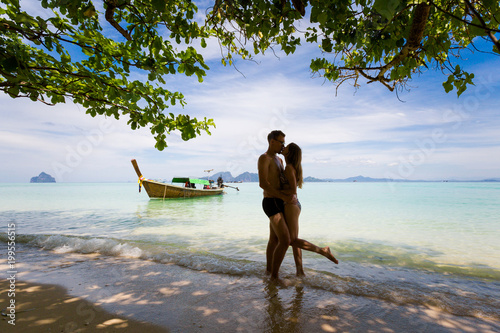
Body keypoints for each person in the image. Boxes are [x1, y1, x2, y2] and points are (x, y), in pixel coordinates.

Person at [281, 143, 339, 272]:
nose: (283, 148)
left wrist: (275, 192)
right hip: (294, 205)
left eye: (286, 147)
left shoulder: (289, 168)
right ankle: (300, 271)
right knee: (295, 241)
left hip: (291, 205)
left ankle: (323, 251)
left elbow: (292, 191)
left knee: (292, 240)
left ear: (289, 153)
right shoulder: (291, 167)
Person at [258, 130, 295, 281]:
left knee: (274, 240)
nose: (283, 145)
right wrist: (281, 196)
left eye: (284, 142)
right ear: (272, 141)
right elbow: (263, 183)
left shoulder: (280, 160)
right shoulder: (264, 158)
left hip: (280, 202)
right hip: (270, 201)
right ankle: (274, 276)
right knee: (285, 240)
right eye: (281, 142)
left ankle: (268, 272)